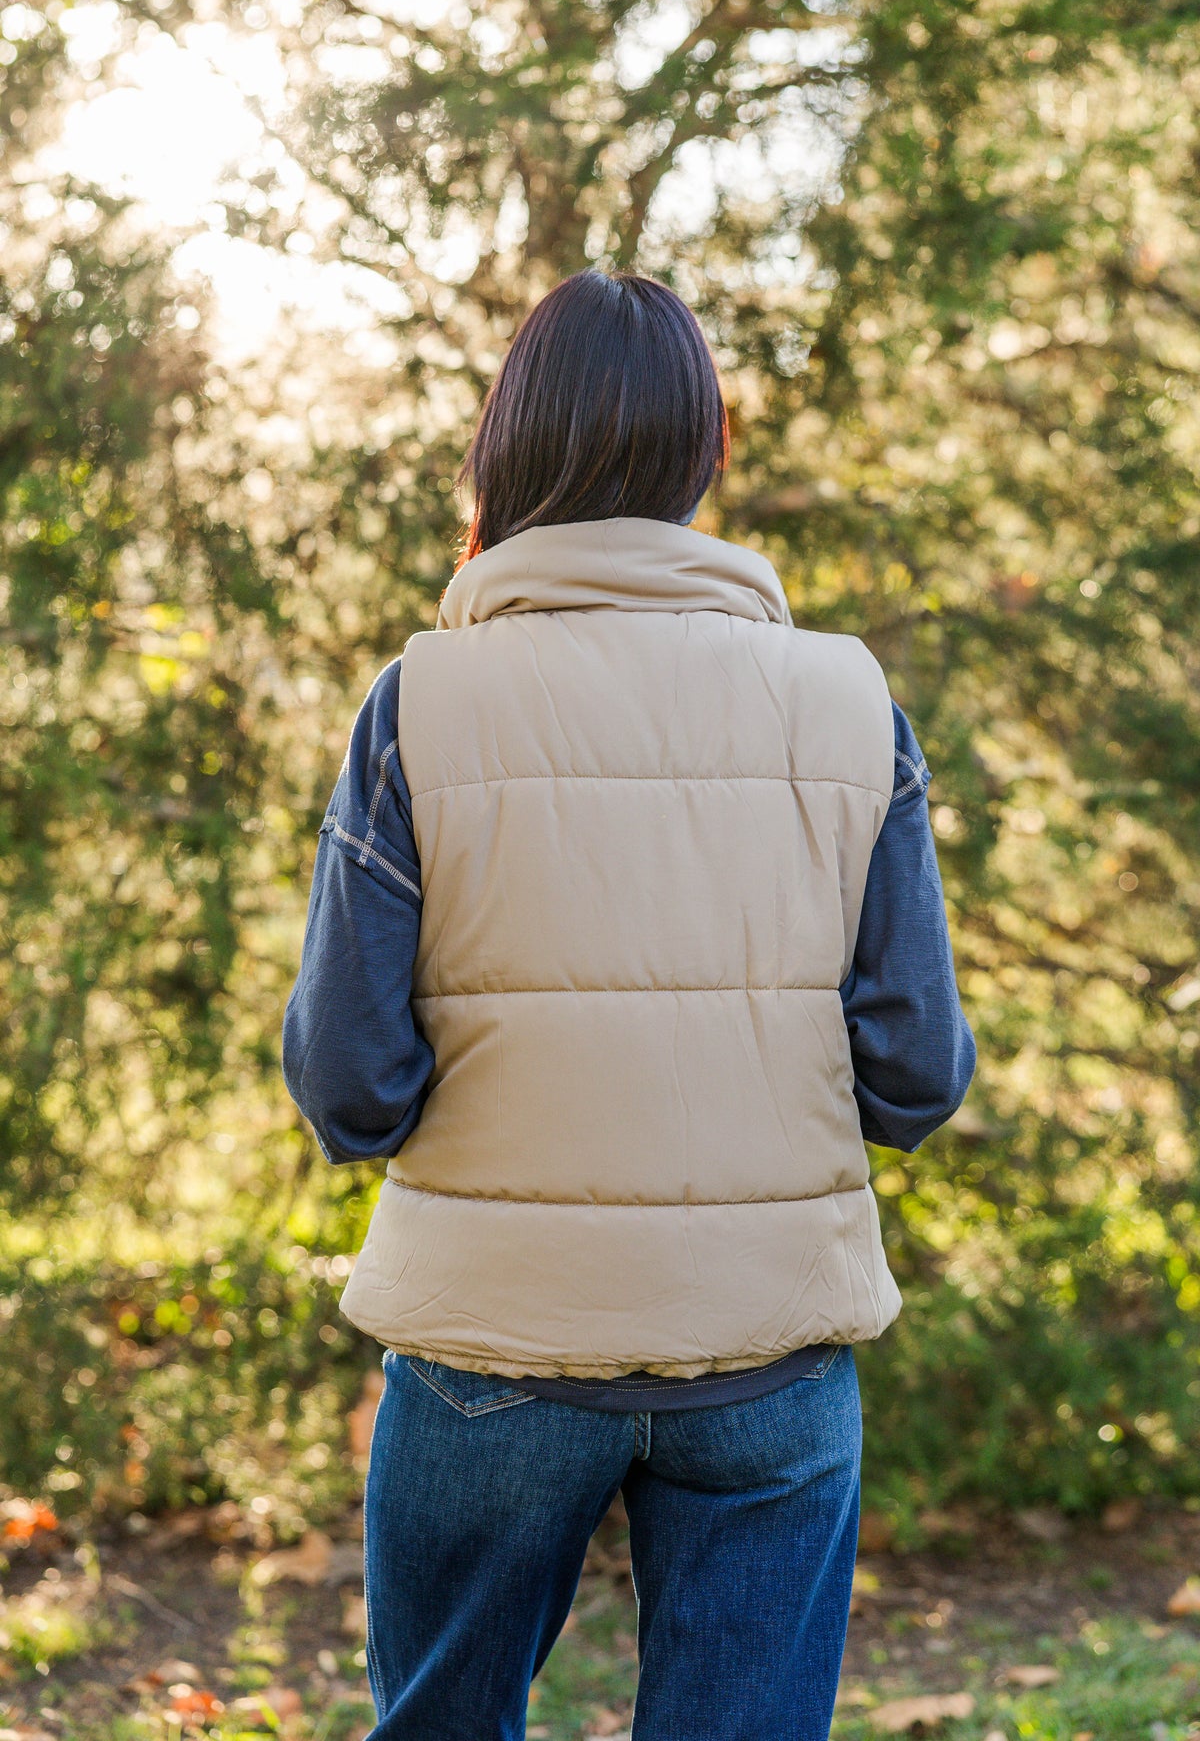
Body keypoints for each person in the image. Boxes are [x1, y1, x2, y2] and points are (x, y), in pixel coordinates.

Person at [282, 269, 975, 1741]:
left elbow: (348, 1082)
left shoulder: (420, 704)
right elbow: (918, 1074)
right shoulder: (853, 705)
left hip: (490, 1350)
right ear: (708, 450)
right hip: (770, 1355)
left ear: (504, 450)